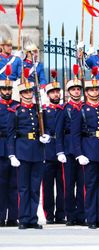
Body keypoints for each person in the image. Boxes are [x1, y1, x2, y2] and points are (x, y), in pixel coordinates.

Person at [71, 70, 99, 229]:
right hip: (89, 151)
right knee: (90, 186)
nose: (94, 92)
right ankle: (91, 219)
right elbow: (75, 135)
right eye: (91, 90)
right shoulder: (81, 110)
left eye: (96, 89)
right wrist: (78, 154)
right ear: (86, 92)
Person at [7, 71, 51, 229]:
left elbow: (46, 129)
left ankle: (33, 218)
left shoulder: (38, 110)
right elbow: (11, 134)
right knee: (24, 188)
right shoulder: (16, 111)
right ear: (20, 94)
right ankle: (24, 218)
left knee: (34, 188)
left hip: (37, 152)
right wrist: (12, 154)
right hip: (22, 151)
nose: (28, 94)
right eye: (25, 92)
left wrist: (46, 137)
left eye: (30, 91)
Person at [55, 65, 85, 226]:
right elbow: (59, 132)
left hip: (83, 150)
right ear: (68, 92)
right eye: (73, 90)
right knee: (68, 184)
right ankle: (70, 215)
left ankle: (81, 214)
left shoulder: (84, 108)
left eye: (78, 89)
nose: (76, 92)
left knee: (82, 185)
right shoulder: (64, 109)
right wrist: (59, 150)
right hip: (67, 150)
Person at [41, 74, 65, 225]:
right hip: (48, 151)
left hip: (61, 150)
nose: (56, 94)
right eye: (53, 92)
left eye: (58, 92)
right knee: (48, 187)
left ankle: (61, 214)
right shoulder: (43, 111)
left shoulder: (64, 110)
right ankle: (49, 214)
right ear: (48, 95)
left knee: (62, 186)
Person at [0, 68, 19, 227]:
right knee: (1, 184)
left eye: (9, 89)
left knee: (15, 184)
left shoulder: (17, 105)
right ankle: (0, 217)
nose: (7, 91)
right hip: (0, 146)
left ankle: (13, 217)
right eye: (4, 89)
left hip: (15, 148)